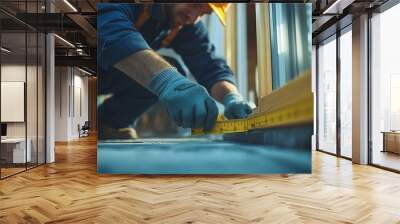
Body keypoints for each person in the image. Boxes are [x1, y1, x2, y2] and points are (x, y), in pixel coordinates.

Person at [98, 3, 252, 140]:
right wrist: (167, 81)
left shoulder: (184, 23)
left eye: (203, 14)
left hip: (106, 75)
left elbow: (210, 67)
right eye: (196, 4)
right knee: (168, 74)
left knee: (173, 67)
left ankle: (108, 124)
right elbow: (108, 29)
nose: (193, 17)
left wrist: (231, 97)